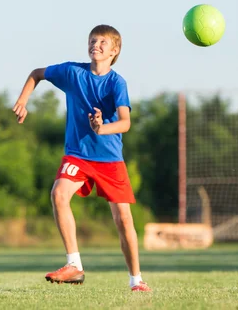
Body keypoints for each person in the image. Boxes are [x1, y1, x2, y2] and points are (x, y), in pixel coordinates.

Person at [13, 24, 151, 292]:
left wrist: (101, 128)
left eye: (102, 42)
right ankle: (74, 265)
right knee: (58, 193)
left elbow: (125, 123)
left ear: (114, 51)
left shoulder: (116, 83)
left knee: (123, 220)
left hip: (109, 158)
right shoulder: (72, 72)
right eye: (92, 41)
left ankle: (137, 280)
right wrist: (23, 100)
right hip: (78, 155)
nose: (95, 45)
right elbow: (37, 74)